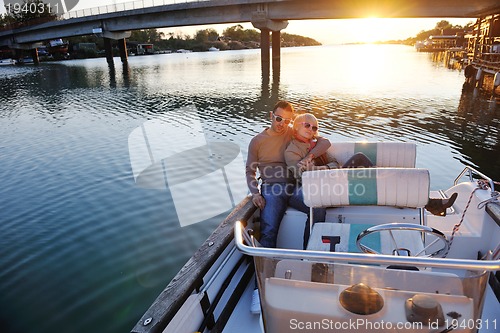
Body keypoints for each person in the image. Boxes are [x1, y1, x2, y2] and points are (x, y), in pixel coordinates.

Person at [245, 101, 331, 314]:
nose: (282, 123)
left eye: (287, 120)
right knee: (269, 231)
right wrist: (255, 193)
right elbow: (250, 172)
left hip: (294, 187)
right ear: (270, 115)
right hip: (272, 189)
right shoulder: (257, 142)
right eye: (278, 118)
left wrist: (310, 156)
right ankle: (259, 289)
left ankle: (306, 260)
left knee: (317, 208)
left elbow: (323, 142)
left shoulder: (293, 132)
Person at [284, 113, 457, 218]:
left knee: (360, 158)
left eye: (314, 127)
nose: (311, 130)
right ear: (296, 127)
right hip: (320, 188)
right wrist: (326, 171)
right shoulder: (291, 151)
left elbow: (334, 163)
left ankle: (422, 201)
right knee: (362, 165)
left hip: (333, 179)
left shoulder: (316, 145)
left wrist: (325, 169)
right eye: (307, 125)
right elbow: (301, 176)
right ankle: (428, 203)